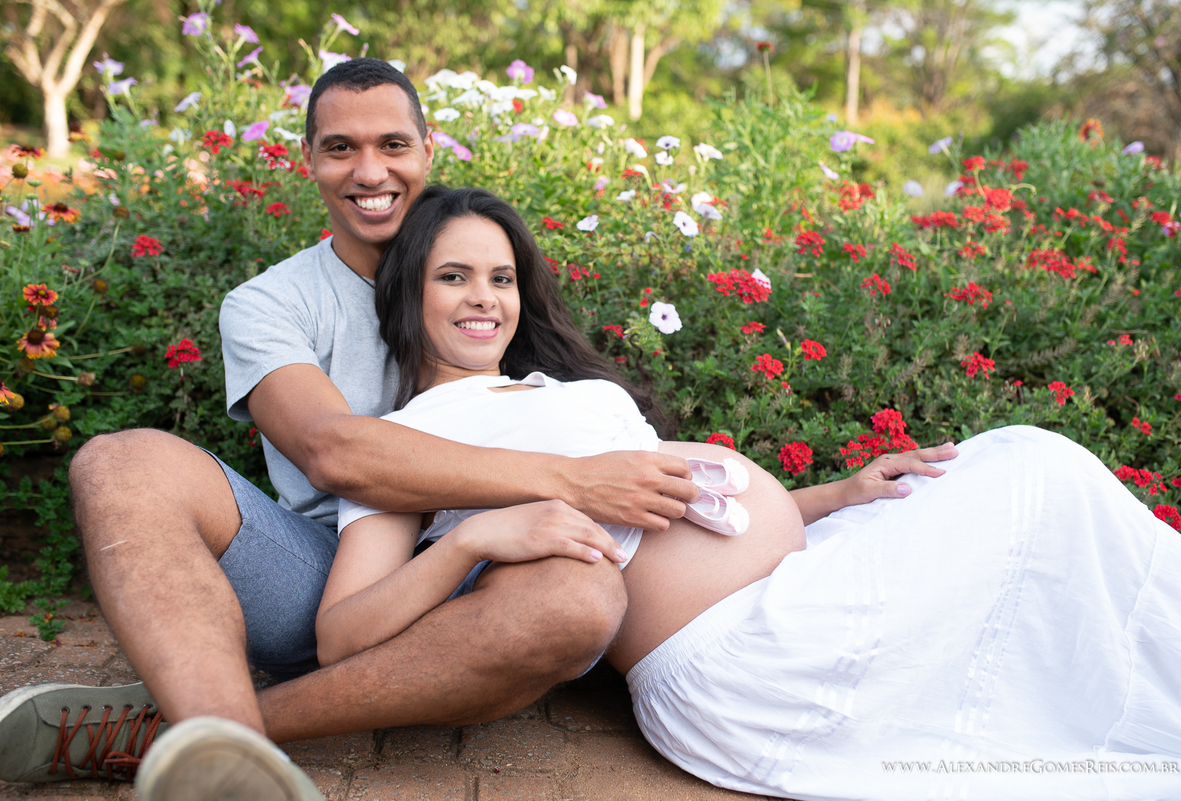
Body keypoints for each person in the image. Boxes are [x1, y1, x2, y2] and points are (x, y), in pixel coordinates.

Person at [336, 185, 1181, 800]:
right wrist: (469, 541)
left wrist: (838, 493)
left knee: (1013, 467)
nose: (485, 299)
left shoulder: (535, 389)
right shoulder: (404, 442)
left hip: (798, 580)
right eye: (455, 276)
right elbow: (341, 634)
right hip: (743, 653)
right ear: (409, 288)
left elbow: (690, 501)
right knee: (1035, 470)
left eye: (501, 278)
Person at [0, 59, 702, 801]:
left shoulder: (484, 267)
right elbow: (331, 450)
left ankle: (191, 735)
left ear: (427, 150)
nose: (370, 171)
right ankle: (221, 750)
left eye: (392, 144)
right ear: (308, 159)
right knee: (121, 461)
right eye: (341, 147)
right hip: (320, 579)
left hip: (497, 584)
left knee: (579, 599)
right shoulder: (270, 303)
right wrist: (570, 482)